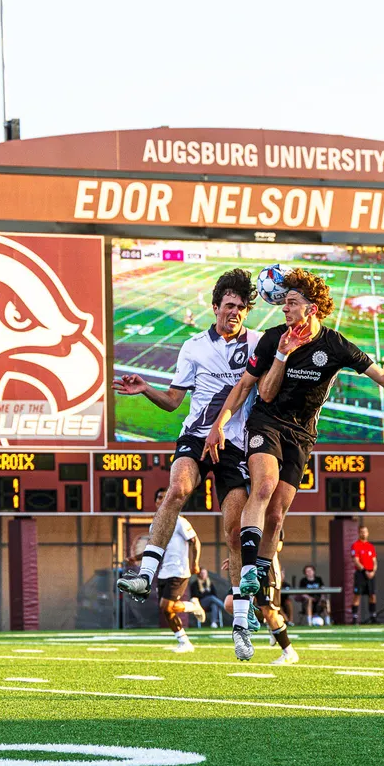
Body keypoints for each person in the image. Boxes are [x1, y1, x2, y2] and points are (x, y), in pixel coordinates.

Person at [204, 267, 384, 660]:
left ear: (311, 309)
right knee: (262, 486)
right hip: (267, 422)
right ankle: (249, 573)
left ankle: (258, 567)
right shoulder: (276, 337)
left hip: (301, 437)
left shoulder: (337, 345)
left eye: (291, 303)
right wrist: (222, 422)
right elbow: (256, 389)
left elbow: (380, 375)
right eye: (284, 302)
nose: (284, 308)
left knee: (277, 514)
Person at [115, 270, 259, 658]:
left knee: (234, 530)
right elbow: (174, 401)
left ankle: (241, 624)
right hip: (196, 435)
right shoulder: (194, 346)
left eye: (241, 308)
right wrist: (146, 389)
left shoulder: (258, 344)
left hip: (235, 443)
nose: (235, 313)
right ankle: (146, 575)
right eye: (229, 306)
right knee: (177, 489)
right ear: (215, 308)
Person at [151, 488, 206, 652]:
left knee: (167, 607)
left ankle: (192, 607)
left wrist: (195, 563)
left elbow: (195, 541)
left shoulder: (180, 521)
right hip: (163, 572)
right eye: (159, 497)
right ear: (155, 502)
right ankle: (184, 642)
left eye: (165, 497)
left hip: (179, 571)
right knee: (166, 610)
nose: (162, 500)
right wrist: (137, 558)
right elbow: (153, 549)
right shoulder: (154, 525)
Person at [351, 526, 378, 624]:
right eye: (362, 532)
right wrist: (365, 571)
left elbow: (374, 561)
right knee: (357, 595)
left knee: (372, 595)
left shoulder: (370, 546)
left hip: (371, 573)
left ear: (368, 533)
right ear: (359, 533)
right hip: (361, 574)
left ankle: (373, 617)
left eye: (365, 532)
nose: (363, 534)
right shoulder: (355, 545)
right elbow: (356, 561)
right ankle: (354, 618)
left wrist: (373, 571)